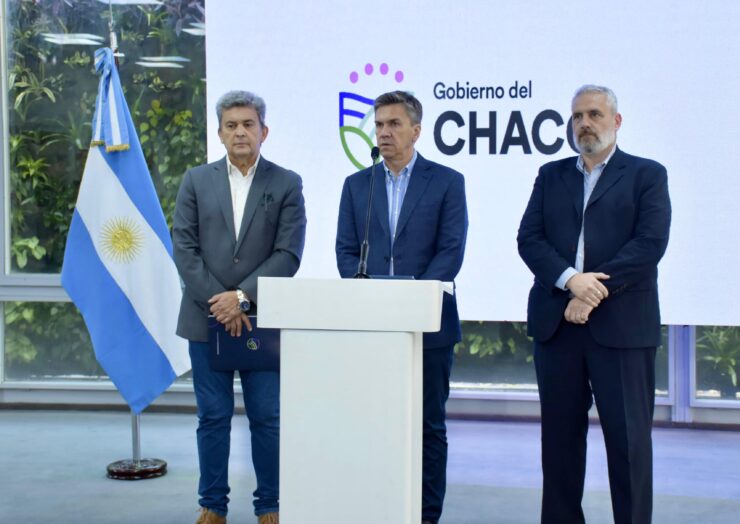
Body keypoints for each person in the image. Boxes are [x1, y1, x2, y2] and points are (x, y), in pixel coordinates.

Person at [517, 84, 671, 524]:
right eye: (578, 116)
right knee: (559, 447)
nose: (584, 123)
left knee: (629, 447)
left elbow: (649, 245)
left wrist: (591, 292)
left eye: (594, 115)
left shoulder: (647, 174)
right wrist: (571, 281)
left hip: (623, 329)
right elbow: (530, 239)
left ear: (616, 122)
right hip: (557, 326)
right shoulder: (551, 175)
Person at [173, 90, 307, 524]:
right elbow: (184, 248)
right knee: (212, 417)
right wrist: (221, 302)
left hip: (261, 320)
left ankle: (270, 505)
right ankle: (213, 505)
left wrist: (242, 298)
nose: (240, 132)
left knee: (267, 417)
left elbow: (288, 254)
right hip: (204, 318)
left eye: (248, 124)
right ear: (219, 133)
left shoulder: (286, 183)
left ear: (264, 131)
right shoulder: (196, 180)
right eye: (231, 125)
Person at [335, 90, 468, 524]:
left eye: (394, 124)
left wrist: (408, 300)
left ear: (416, 130)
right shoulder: (359, 185)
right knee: (376, 422)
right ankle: (381, 506)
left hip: (429, 325)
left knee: (428, 426)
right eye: (379, 125)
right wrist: (373, 299)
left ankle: (426, 515)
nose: (384, 132)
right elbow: (346, 251)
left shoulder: (447, 181)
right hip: (372, 326)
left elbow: (451, 251)